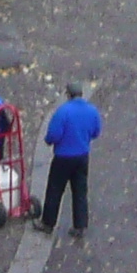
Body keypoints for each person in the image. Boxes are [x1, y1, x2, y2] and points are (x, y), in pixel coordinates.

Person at [39, 83, 101, 236]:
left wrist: (49, 141)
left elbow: (53, 134)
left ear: (68, 95)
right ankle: (80, 226)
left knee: (55, 190)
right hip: (82, 157)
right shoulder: (92, 110)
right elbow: (96, 131)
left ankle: (48, 223)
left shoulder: (63, 111)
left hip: (63, 157)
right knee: (80, 191)